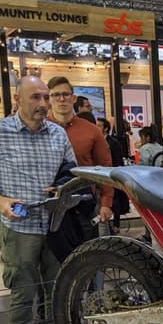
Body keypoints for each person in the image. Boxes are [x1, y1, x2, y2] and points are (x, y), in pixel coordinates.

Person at [0, 75, 76, 324]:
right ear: (18, 99)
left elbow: (72, 171)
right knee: (22, 296)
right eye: (35, 97)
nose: (43, 104)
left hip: (55, 227)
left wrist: (63, 187)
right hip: (19, 228)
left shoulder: (58, 133)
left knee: (58, 295)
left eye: (46, 97)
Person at [47, 76, 113, 225]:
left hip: (83, 205)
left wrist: (106, 203)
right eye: (56, 95)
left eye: (66, 94)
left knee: (85, 240)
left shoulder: (92, 131)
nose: (61, 99)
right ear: (49, 99)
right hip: (47, 205)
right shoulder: (39, 130)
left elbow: (105, 168)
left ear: (73, 98)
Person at [97, 117, 130, 233]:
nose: (96, 127)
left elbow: (118, 160)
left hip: (111, 173)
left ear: (106, 128)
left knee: (115, 199)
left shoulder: (113, 142)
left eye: (99, 125)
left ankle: (116, 225)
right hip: (99, 173)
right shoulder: (96, 141)